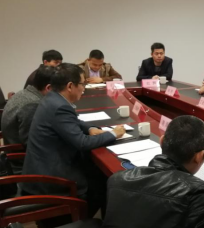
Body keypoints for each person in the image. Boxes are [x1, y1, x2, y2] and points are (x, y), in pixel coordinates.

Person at [22, 64, 126, 216]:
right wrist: (113, 134)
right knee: (106, 183)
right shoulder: (60, 107)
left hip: (44, 165)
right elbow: (82, 143)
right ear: (70, 86)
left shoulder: (52, 98)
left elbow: (73, 121)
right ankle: (82, 221)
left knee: (97, 173)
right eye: (83, 84)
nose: (84, 88)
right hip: (52, 178)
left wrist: (90, 129)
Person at [1, 66, 56, 146]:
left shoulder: (23, 93)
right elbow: (31, 141)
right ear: (49, 88)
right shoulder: (33, 104)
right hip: (22, 152)